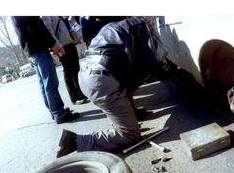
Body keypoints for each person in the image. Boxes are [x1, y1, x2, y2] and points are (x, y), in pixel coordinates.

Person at [57, 17, 165, 157]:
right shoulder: (143, 27)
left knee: (126, 85)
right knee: (130, 134)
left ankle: (126, 118)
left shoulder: (116, 26)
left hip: (87, 75)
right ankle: (75, 141)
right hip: (102, 81)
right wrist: (172, 76)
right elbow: (154, 64)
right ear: (150, 19)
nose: (155, 24)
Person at [11, 16, 80, 124]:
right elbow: (38, 26)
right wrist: (53, 44)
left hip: (32, 50)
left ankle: (54, 111)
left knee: (44, 83)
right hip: (38, 48)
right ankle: (59, 113)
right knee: (50, 82)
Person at [41, 16, 89, 105]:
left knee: (76, 70)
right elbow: (49, 32)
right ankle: (74, 97)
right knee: (68, 72)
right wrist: (58, 46)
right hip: (62, 47)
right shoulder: (45, 15)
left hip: (70, 43)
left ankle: (80, 93)